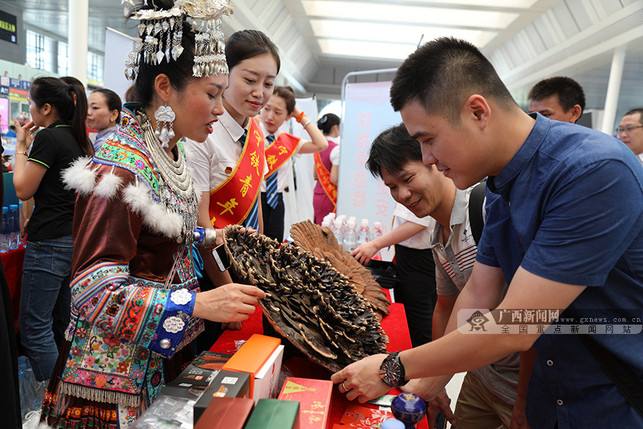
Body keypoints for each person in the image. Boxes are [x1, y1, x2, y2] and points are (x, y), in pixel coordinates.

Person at [331, 37, 642, 428]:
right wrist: (430, 380)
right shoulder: (498, 191)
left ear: (477, 111)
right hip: (550, 395)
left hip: (610, 402)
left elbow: (516, 323)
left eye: (428, 140)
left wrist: (394, 367)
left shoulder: (592, 172)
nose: (428, 158)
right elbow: (478, 295)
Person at [39, 1, 265, 426]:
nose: (220, 108)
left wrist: (209, 238)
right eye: (212, 94)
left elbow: (155, 237)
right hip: (114, 379)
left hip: (159, 350)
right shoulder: (120, 166)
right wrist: (196, 301)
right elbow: (93, 290)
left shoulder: (168, 150)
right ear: (164, 87)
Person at [360, 124, 523, 428]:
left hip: (519, 386)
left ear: (433, 161)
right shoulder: (437, 235)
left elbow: (527, 316)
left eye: (408, 179)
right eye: (392, 187)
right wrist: (435, 379)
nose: (403, 194)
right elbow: (446, 307)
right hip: (480, 377)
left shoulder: (486, 210)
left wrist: (525, 399)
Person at [184, 29, 279, 352]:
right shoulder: (202, 134)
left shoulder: (256, 130)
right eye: (250, 80)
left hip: (245, 275)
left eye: (268, 83)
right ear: (225, 74)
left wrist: (259, 270)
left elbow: (258, 205)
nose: (260, 92)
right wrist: (228, 291)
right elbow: (201, 226)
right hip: (211, 279)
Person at [12, 76, 93, 384]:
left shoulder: (49, 138)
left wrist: (22, 147)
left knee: (34, 330)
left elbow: (22, 189)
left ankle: (56, 399)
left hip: (48, 244)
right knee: (62, 326)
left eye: (31, 104)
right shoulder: (78, 138)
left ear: (46, 108)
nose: (29, 111)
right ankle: (68, 396)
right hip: (72, 241)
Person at [258, 85, 328, 241]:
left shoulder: (287, 141)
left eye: (278, 112)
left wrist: (299, 114)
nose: (270, 116)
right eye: (267, 108)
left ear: (287, 116)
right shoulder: (251, 132)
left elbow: (321, 144)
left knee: (274, 248)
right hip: (254, 200)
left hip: (276, 202)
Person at [313, 113, 340, 224]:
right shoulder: (336, 149)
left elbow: (315, 175)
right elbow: (334, 179)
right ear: (335, 127)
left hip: (317, 195)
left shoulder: (319, 147)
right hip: (330, 197)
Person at [87, 88, 122, 153]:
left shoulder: (105, 145)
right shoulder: (120, 136)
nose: (88, 112)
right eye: (86, 107)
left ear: (114, 114)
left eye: (95, 108)